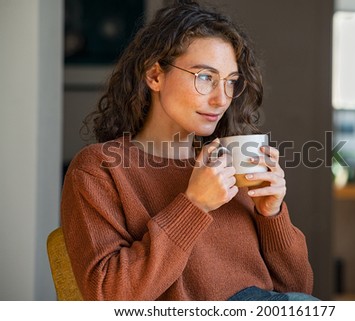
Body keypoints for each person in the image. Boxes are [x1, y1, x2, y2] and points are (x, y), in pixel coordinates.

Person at [61, 0, 317, 301]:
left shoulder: (232, 163)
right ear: (155, 75)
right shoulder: (99, 169)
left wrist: (272, 215)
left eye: (231, 82)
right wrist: (195, 205)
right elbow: (108, 296)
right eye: (205, 77)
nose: (222, 99)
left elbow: (300, 292)